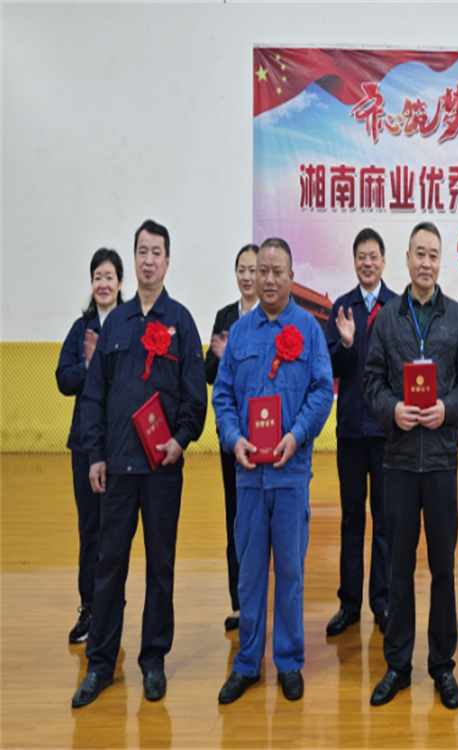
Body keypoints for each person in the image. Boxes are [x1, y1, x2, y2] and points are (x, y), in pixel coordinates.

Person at [73, 220, 207, 708]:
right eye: (142, 251)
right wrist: (96, 455)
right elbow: (94, 397)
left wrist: (181, 439)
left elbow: (195, 397)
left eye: (157, 252)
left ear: (168, 261)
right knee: (109, 565)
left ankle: (153, 660)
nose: (149, 260)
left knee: (160, 565)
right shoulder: (116, 324)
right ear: (135, 260)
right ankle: (101, 663)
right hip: (117, 468)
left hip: (162, 470)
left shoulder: (181, 322)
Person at [363, 221, 458, 710]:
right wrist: (392, 409)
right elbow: (370, 382)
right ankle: (397, 664)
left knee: (442, 568)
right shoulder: (388, 319)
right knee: (399, 567)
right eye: (419, 254)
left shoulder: (457, 318)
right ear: (407, 259)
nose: (426, 262)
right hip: (397, 461)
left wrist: (447, 409)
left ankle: (442, 665)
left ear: (440, 262)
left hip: (441, 462)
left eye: (433, 255)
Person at [213, 238, 333, 705]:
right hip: (248, 474)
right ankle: (247, 662)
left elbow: (321, 391)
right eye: (261, 270)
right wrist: (233, 438)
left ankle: (288, 660)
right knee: (249, 576)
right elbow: (223, 395)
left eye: (276, 271)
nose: (266, 279)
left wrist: (297, 434)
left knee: (289, 572)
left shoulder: (309, 330)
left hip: (290, 472)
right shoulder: (240, 333)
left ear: (291, 277)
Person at [324, 228, 396, 637]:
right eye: (361, 257)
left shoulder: (397, 307)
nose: (367, 263)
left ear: (383, 262)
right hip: (351, 430)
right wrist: (346, 344)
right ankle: (349, 603)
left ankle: (381, 601)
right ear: (354, 263)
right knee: (352, 518)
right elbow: (329, 366)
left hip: (387, 432)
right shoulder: (342, 308)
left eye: (373, 256)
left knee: (385, 519)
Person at [56, 248, 125, 644]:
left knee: (115, 529)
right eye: (97, 277)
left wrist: (101, 365)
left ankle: (112, 604)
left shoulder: (129, 325)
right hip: (85, 443)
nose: (103, 283)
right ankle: (88, 606)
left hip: (121, 444)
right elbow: (63, 379)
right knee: (90, 528)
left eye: (109, 276)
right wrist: (89, 366)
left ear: (120, 283)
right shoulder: (80, 329)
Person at [204, 243, 259, 632]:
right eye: (242, 269)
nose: (247, 276)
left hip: (267, 434)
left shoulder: (273, 315)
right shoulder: (225, 316)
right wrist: (221, 358)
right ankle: (240, 604)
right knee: (235, 518)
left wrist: (233, 357)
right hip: (232, 434)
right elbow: (210, 372)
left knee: (265, 522)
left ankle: (263, 597)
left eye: (253, 269)